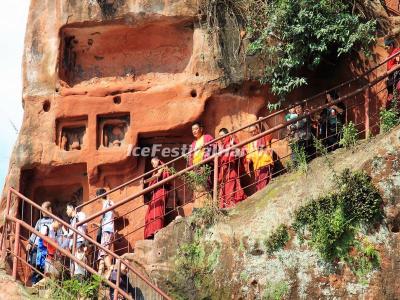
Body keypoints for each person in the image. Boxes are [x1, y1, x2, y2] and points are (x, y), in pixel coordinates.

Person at [188, 122, 215, 209]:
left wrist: (205, 165)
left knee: (205, 188)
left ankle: (208, 208)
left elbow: (212, 149)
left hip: (204, 166)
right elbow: (190, 157)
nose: (194, 131)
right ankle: (199, 209)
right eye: (192, 130)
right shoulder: (193, 144)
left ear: (201, 129)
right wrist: (191, 168)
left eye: (196, 129)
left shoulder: (207, 137)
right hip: (195, 168)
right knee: (197, 190)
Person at [217, 128, 246, 208]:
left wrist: (232, 146)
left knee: (231, 190)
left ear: (227, 135)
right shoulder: (221, 146)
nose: (221, 138)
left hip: (231, 169)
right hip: (223, 172)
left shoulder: (232, 141)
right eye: (220, 137)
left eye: (223, 136)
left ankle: (232, 207)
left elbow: (240, 153)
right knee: (224, 191)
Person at [142, 157, 170, 239]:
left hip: (160, 190)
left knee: (157, 211)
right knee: (152, 211)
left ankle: (157, 230)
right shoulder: (156, 170)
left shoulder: (162, 167)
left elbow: (158, 175)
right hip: (156, 192)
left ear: (158, 161)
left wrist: (146, 181)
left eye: (153, 163)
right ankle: (151, 232)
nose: (153, 165)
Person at [26, 201, 54, 284]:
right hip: (37, 246)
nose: (42, 212)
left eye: (44, 210)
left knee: (44, 266)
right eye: (41, 210)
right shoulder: (39, 221)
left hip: (47, 248)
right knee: (34, 263)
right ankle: (35, 280)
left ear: (50, 209)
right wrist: (30, 243)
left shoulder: (54, 221)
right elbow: (34, 233)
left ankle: (40, 281)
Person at [244, 124, 274, 191]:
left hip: (265, 163)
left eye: (254, 131)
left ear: (258, 129)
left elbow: (270, 132)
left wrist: (263, 122)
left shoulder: (263, 137)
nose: (253, 133)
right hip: (257, 167)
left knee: (264, 186)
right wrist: (248, 160)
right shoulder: (250, 143)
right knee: (260, 187)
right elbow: (249, 155)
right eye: (251, 132)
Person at [94, 188, 116, 276]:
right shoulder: (106, 203)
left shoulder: (108, 202)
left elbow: (114, 213)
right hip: (106, 229)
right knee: (103, 253)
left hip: (107, 230)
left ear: (99, 196)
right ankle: (100, 275)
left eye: (96, 196)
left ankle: (111, 270)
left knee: (103, 252)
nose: (96, 199)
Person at [385, 38, 400, 104]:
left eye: (386, 47)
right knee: (390, 93)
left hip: (396, 75)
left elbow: (398, 62)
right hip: (391, 77)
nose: (385, 50)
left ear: (391, 45)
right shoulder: (389, 56)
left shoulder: (396, 51)